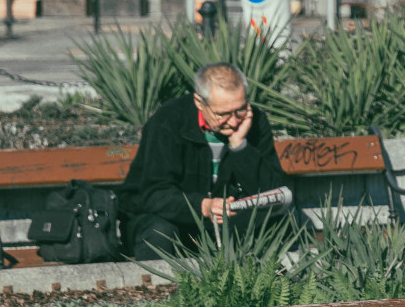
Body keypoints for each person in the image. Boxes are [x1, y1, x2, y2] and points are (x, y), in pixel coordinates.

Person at [119, 62, 293, 259]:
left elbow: (274, 190)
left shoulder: (255, 121)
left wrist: (240, 147)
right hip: (172, 218)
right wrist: (203, 206)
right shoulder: (168, 121)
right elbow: (153, 194)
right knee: (160, 233)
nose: (235, 121)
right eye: (223, 114)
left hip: (225, 220)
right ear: (199, 103)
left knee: (278, 225)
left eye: (241, 109)